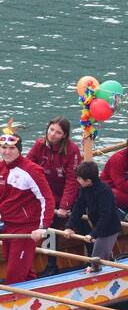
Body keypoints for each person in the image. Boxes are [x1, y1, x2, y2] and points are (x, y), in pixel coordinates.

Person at [0, 124, 55, 284]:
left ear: (19, 150)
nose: (6, 152)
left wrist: (43, 227)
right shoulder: (1, 168)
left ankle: (12, 305)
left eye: (11, 148)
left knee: (14, 274)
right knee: (21, 268)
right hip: (8, 225)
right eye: (4, 147)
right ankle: (34, 294)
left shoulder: (32, 170)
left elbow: (47, 199)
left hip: (27, 228)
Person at [26, 118, 81, 227]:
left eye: (58, 132)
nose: (52, 134)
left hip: (61, 196)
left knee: (55, 223)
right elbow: (27, 166)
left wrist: (64, 206)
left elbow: (72, 181)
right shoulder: (39, 144)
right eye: (51, 129)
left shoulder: (72, 150)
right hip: (43, 193)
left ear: (64, 135)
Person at [67, 160, 121, 264]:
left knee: (97, 258)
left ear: (88, 181)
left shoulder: (104, 191)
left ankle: (99, 272)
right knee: (103, 253)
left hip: (109, 228)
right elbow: (79, 207)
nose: (77, 180)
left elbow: (105, 216)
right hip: (98, 226)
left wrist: (93, 234)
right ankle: (110, 261)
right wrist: (70, 226)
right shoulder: (84, 189)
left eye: (79, 178)